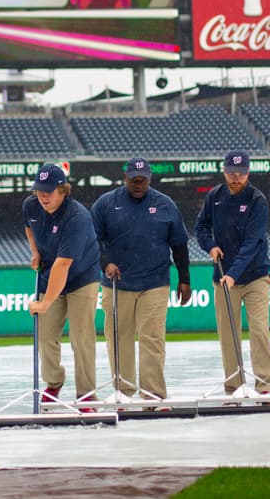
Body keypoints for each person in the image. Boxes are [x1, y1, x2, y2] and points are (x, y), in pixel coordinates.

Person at [90, 156, 191, 401]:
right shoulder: (106, 203)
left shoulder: (165, 204)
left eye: (143, 180)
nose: (138, 184)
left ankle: (153, 394)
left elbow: (179, 244)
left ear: (149, 179)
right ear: (125, 178)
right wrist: (105, 264)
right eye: (134, 180)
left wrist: (184, 278)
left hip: (154, 281)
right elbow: (91, 240)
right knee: (118, 338)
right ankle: (123, 391)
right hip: (117, 283)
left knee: (152, 338)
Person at [194, 150, 270, 395]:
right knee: (228, 335)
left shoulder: (256, 199)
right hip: (222, 278)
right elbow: (200, 227)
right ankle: (234, 385)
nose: (236, 178)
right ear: (224, 171)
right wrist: (210, 246)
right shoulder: (214, 196)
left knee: (259, 330)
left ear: (248, 172)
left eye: (241, 173)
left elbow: (252, 243)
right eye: (232, 173)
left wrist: (233, 273)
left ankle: (266, 386)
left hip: (255, 276)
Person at [24, 162, 102, 407]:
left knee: (81, 337)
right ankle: (54, 382)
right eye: (39, 190)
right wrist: (35, 251)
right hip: (50, 273)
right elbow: (29, 227)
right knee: (45, 335)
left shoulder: (77, 216)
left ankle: (86, 393)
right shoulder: (31, 205)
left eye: (48, 191)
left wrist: (45, 302)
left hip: (81, 277)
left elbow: (63, 265)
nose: (43, 196)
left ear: (63, 190)